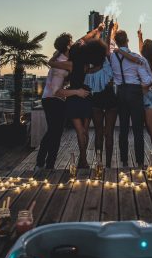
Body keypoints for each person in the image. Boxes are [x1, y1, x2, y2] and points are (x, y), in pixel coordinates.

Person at [114, 29, 152, 166]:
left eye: (143, 46)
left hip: (146, 97)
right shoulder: (146, 59)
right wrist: (140, 37)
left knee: (150, 129)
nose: (140, 46)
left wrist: (120, 50)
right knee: (147, 130)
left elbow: (147, 81)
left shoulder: (142, 61)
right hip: (142, 97)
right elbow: (138, 53)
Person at [35, 33, 90, 169]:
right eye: (71, 42)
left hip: (48, 99)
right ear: (67, 46)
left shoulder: (59, 57)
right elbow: (57, 91)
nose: (73, 43)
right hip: (54, 99)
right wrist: (78, 92)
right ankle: (46, 165)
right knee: (55, 133)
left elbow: (79, 40)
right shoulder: (66, 63)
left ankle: (43, 163)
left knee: (52, 132)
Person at [66, 24, 108, 168]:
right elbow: (92, 44)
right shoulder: (88, 64)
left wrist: (96, 31)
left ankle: (82, 159)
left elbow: (83, 39)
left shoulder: (71, 62)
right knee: (85, 129)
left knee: (80, 131)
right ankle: (83, 159)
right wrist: (99, 34)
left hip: (74, 96)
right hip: (87, 95)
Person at [111, 30, 152, 168]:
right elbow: (147, 80)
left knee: (123, 129)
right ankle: (140, 162)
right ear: (127, 40)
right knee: (137, 130)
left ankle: (124, 161)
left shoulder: (112, 57)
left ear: (116, 41)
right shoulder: (135, 57)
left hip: (120, 93)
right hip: (134, 93)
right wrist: (139, 85)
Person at [85, 22, 118, 168]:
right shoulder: (107, 65)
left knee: (98, 133)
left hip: (96, 103)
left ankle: (99, 163)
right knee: (109, 134)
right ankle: (109, 164)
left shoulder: (88, 73)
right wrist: (110, 30)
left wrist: (99, 31)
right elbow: (106, 46)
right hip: (111, 101)